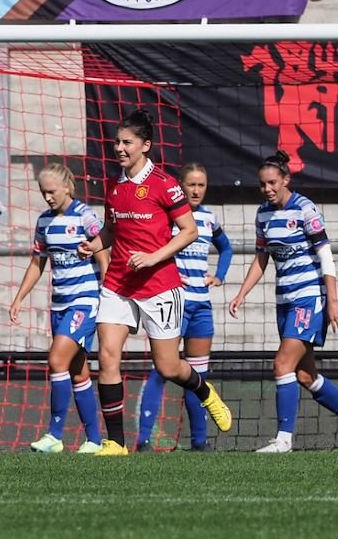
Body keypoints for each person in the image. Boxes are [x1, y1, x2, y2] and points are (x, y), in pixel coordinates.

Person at [81, 109, 232, 456]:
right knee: (106, 357)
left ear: (145, 145)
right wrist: (93, 245)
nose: (119, 148)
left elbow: (190, 231)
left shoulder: (165, 185)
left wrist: (153, 257)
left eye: (127, 142)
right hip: (118, 283)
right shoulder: (114, 184)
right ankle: (116, 443)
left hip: (160, 287)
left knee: (168, 366)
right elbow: (111, 229)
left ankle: (206, 392)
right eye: (117, 141)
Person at [229, 151, 338, 453]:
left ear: (286, 180)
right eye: (263, 184)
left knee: (282, 364)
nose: (268, 189)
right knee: (305, 375)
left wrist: (332, 300)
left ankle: (283, 441)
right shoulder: (263, 214)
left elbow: (325, 254)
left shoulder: (305, 209)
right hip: (284, 302)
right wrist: (241, 293)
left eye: (273, 182)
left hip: (308, 298)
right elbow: (262, 258)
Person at [9, 164, 108, 454]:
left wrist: (109, 291)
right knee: (77, 372)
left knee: (56, 360)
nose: (48, 197)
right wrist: (18, 298)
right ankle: (94, 440)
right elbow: (38, 262)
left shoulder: (86, 216)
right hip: (59, 304)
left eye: (52, 191)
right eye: (43, 192)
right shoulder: (44, 222)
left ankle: (54, 435)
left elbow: (104, 251)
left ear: (67, 187)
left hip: (85, 300)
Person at [136, 162, 232, 452]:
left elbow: (226, 247)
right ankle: (143, 440)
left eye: (201, 185)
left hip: (201, 307)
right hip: (173, 302)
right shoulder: (169, 217)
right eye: (191, 184)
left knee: (197, 376)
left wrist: (219, 276)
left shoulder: (208, 218)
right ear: (180, 186)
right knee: (163, 369)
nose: (196, 190)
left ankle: (199, 442)